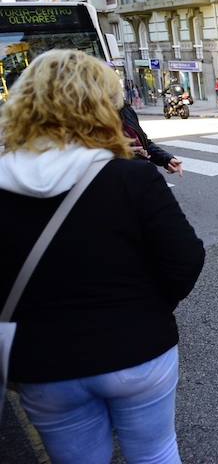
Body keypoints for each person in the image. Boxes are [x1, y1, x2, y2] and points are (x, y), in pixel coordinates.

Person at [0, 49, 205, 463]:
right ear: (102, 108)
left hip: (41, 361)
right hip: (139, 347)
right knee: (155, 452)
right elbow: (186, 258)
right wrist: (149, 308)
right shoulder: (130, 176)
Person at [121, 102, 184, 176]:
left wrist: (167, 159)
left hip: (139, 173)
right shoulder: (105, 117)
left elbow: (144, 143)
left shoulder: (126, 110)